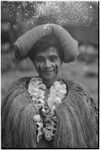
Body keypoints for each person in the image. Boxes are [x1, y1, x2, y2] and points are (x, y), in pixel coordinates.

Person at [1, 24, 98, 148]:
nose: (47, 65)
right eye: (40, 59)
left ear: (61, 60)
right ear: (33, 62)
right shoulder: (15, 98)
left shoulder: (80, 98)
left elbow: (91, 139)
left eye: (53, 58)